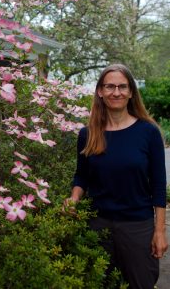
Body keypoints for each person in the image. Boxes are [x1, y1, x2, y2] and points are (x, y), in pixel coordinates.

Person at [63, 64, 168, 289]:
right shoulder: (88, 134)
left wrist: (159, 231)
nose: (116, 92)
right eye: (110, 86)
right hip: (97, 227)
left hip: (138, 227)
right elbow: (81, 176)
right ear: (100, 91)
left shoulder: (148, 132)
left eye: (122, 86)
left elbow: (159, 186)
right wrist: (73, 198)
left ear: (131, 92)